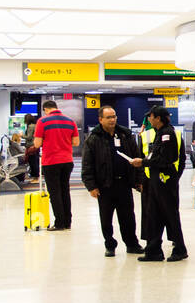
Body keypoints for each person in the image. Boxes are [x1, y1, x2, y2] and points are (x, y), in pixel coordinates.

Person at [82, 106, 145, 257]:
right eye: (109, 117)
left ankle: (132, 244)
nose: (112, 120)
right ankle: (110, 245)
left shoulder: (125, 134)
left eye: (114, 116)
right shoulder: (94, 138)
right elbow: (87, 164)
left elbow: (137, 157)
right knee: (106, 219)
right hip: (105, 186)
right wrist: (91, 186)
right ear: (100, 119)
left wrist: (139, 180)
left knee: (128, 217)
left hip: (124, 184)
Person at [133, 106, 187, 262]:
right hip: (156, 180)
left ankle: (180, 249)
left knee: (170, 215)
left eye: (150, 117)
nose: (148, 120)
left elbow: (166, 159)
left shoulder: (168, 134)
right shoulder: (159, 133)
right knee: (154, 215)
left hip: (165, 180)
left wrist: (143, 162)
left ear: (157, 118)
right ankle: (154, 251)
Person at [34, 100, 80, 231]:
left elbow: (37, 144)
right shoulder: (70, 121)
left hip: (51, 161)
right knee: (65, 191)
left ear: (45, 109)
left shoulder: (42, 121)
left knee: (55, 193)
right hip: (67, 161)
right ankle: (67, 222)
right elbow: (76, 142)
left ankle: (59, 223)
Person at [22, 114, 39, 181]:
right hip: (35, 145)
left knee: (32, 162)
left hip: (31, 146)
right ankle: (35, 176)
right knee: (35, 161)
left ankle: (35, 177)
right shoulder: (35, 125)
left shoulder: (30, 127)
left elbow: (29, 137)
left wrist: (21, 135)